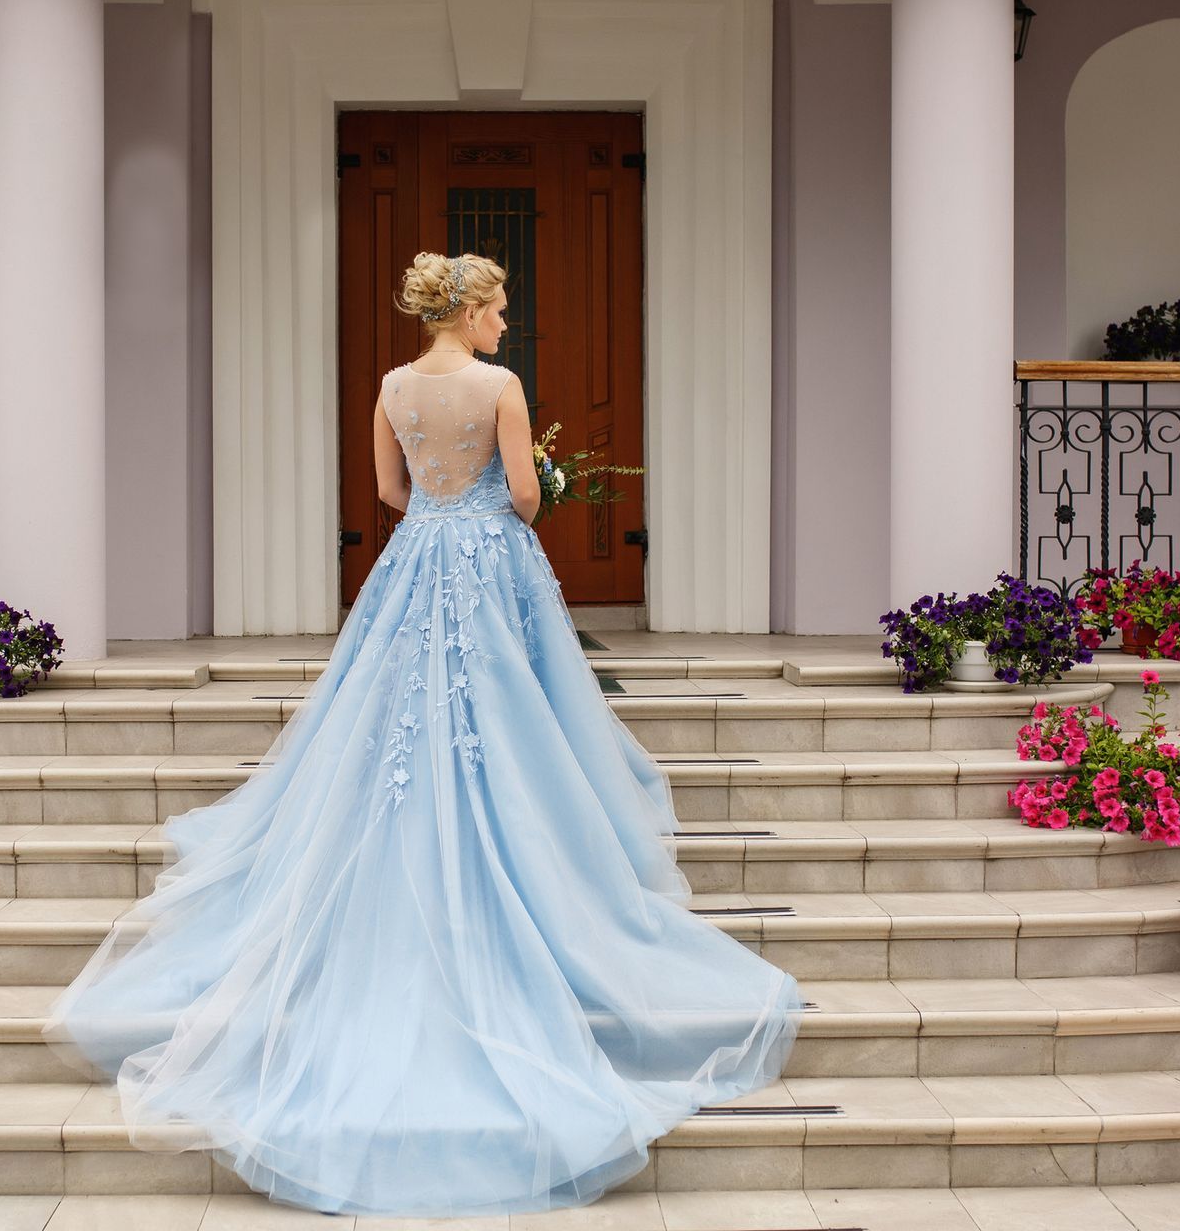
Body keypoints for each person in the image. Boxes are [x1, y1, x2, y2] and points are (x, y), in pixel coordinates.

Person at [45, 251, 805, 1218]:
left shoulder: (394, 386)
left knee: (394, 708)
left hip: (417, 559)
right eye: (499, 310)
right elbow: (527, 495)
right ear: (472, 309)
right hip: (490, 560)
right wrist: (514, 499)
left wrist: (450, 504)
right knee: (508, 715)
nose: (504, 325)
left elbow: (392, 494)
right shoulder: (499, 385)